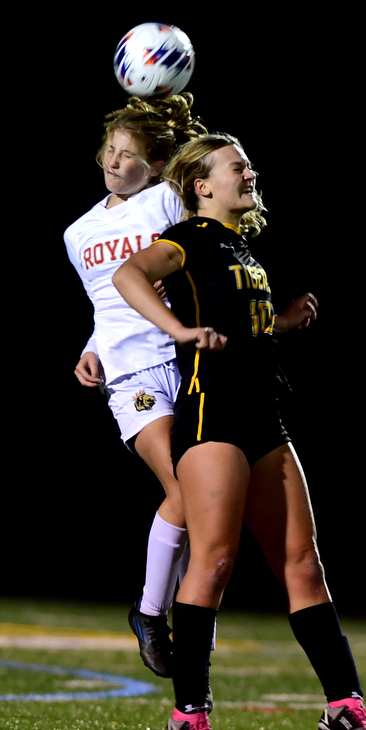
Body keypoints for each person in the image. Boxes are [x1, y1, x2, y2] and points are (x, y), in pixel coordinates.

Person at [112, 133, 366, 730]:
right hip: (214, 413)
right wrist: (179, 330)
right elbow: (129, 274)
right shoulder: (194, 237)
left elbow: (240, 322)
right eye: (237, 167)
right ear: (202, 186)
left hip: (266, 414)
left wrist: (282, 324)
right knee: (214, 560)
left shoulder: (241, 249)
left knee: (302, 562)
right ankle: (189, 716)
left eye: (250, 166)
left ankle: (345, 704)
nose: (249, 173)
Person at [64, 94, 209, 679]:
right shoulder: (79, 232)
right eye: (110, 151)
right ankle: (151, 615)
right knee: (183, 487)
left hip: (189, 359)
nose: (115, 162)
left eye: (130, 155)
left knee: (207, 502)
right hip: (131, 371)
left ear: (155, 165)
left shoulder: (167, 200)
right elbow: (107, 301)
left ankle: (173, 615)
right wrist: (92, 347)